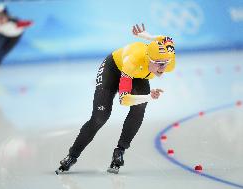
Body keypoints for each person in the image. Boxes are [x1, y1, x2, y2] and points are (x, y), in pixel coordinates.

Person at [56, 23, 176, 174]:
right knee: (100, 117)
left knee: (140, 108)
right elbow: (124, 100)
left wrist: (147, 36)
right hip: (113, 70)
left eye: (165, 63)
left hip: (138, 74)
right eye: (158, 64)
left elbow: (165, 39)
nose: (163, 68)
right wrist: (148, 96)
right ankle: (72, 155)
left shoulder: (169, 59)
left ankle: (120, 150)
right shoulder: (132, 61)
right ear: (149, 59)